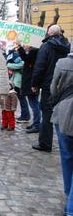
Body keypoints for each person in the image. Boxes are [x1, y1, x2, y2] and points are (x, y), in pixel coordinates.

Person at [31, 24, 70, 152]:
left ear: (49, 33)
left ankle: (45, 143)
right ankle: (66, 143)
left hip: (49, 86)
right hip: (67, 86)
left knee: (47, 115)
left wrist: (35, 84)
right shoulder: (68, 45)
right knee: (65, 113)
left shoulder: (46, 46)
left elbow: (39, 67)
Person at [50, 47, 73, 215]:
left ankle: (68, 194)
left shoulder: (63, 63)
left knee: (66, 156)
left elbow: (54, 89)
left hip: (63, 113)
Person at [16, 44, 42, 133]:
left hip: (32, 81)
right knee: (34, 103)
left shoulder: (34, 50)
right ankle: (36, 123)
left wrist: (20, 49)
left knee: (34, 104)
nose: (25, 45)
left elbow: (26, 59)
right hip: (32, 81)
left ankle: (37, 124)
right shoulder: (35, 50)